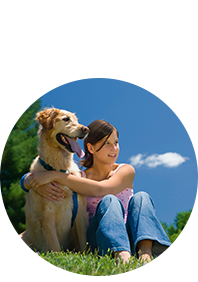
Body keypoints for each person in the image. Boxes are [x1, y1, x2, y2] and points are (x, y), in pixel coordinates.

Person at [21, 120, 173, 263]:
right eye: (107, 144)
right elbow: (30, 178)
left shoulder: (126, 170)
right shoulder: (80, 177)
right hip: (99, 240)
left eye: (116, 143)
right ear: (91, 148)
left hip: (131, 236)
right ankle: (122, 257)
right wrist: (31, 182)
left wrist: (55, 175)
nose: (114, 149)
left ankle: (145, 256)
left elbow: (99, 189)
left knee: (142, 197)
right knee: (110, 201)